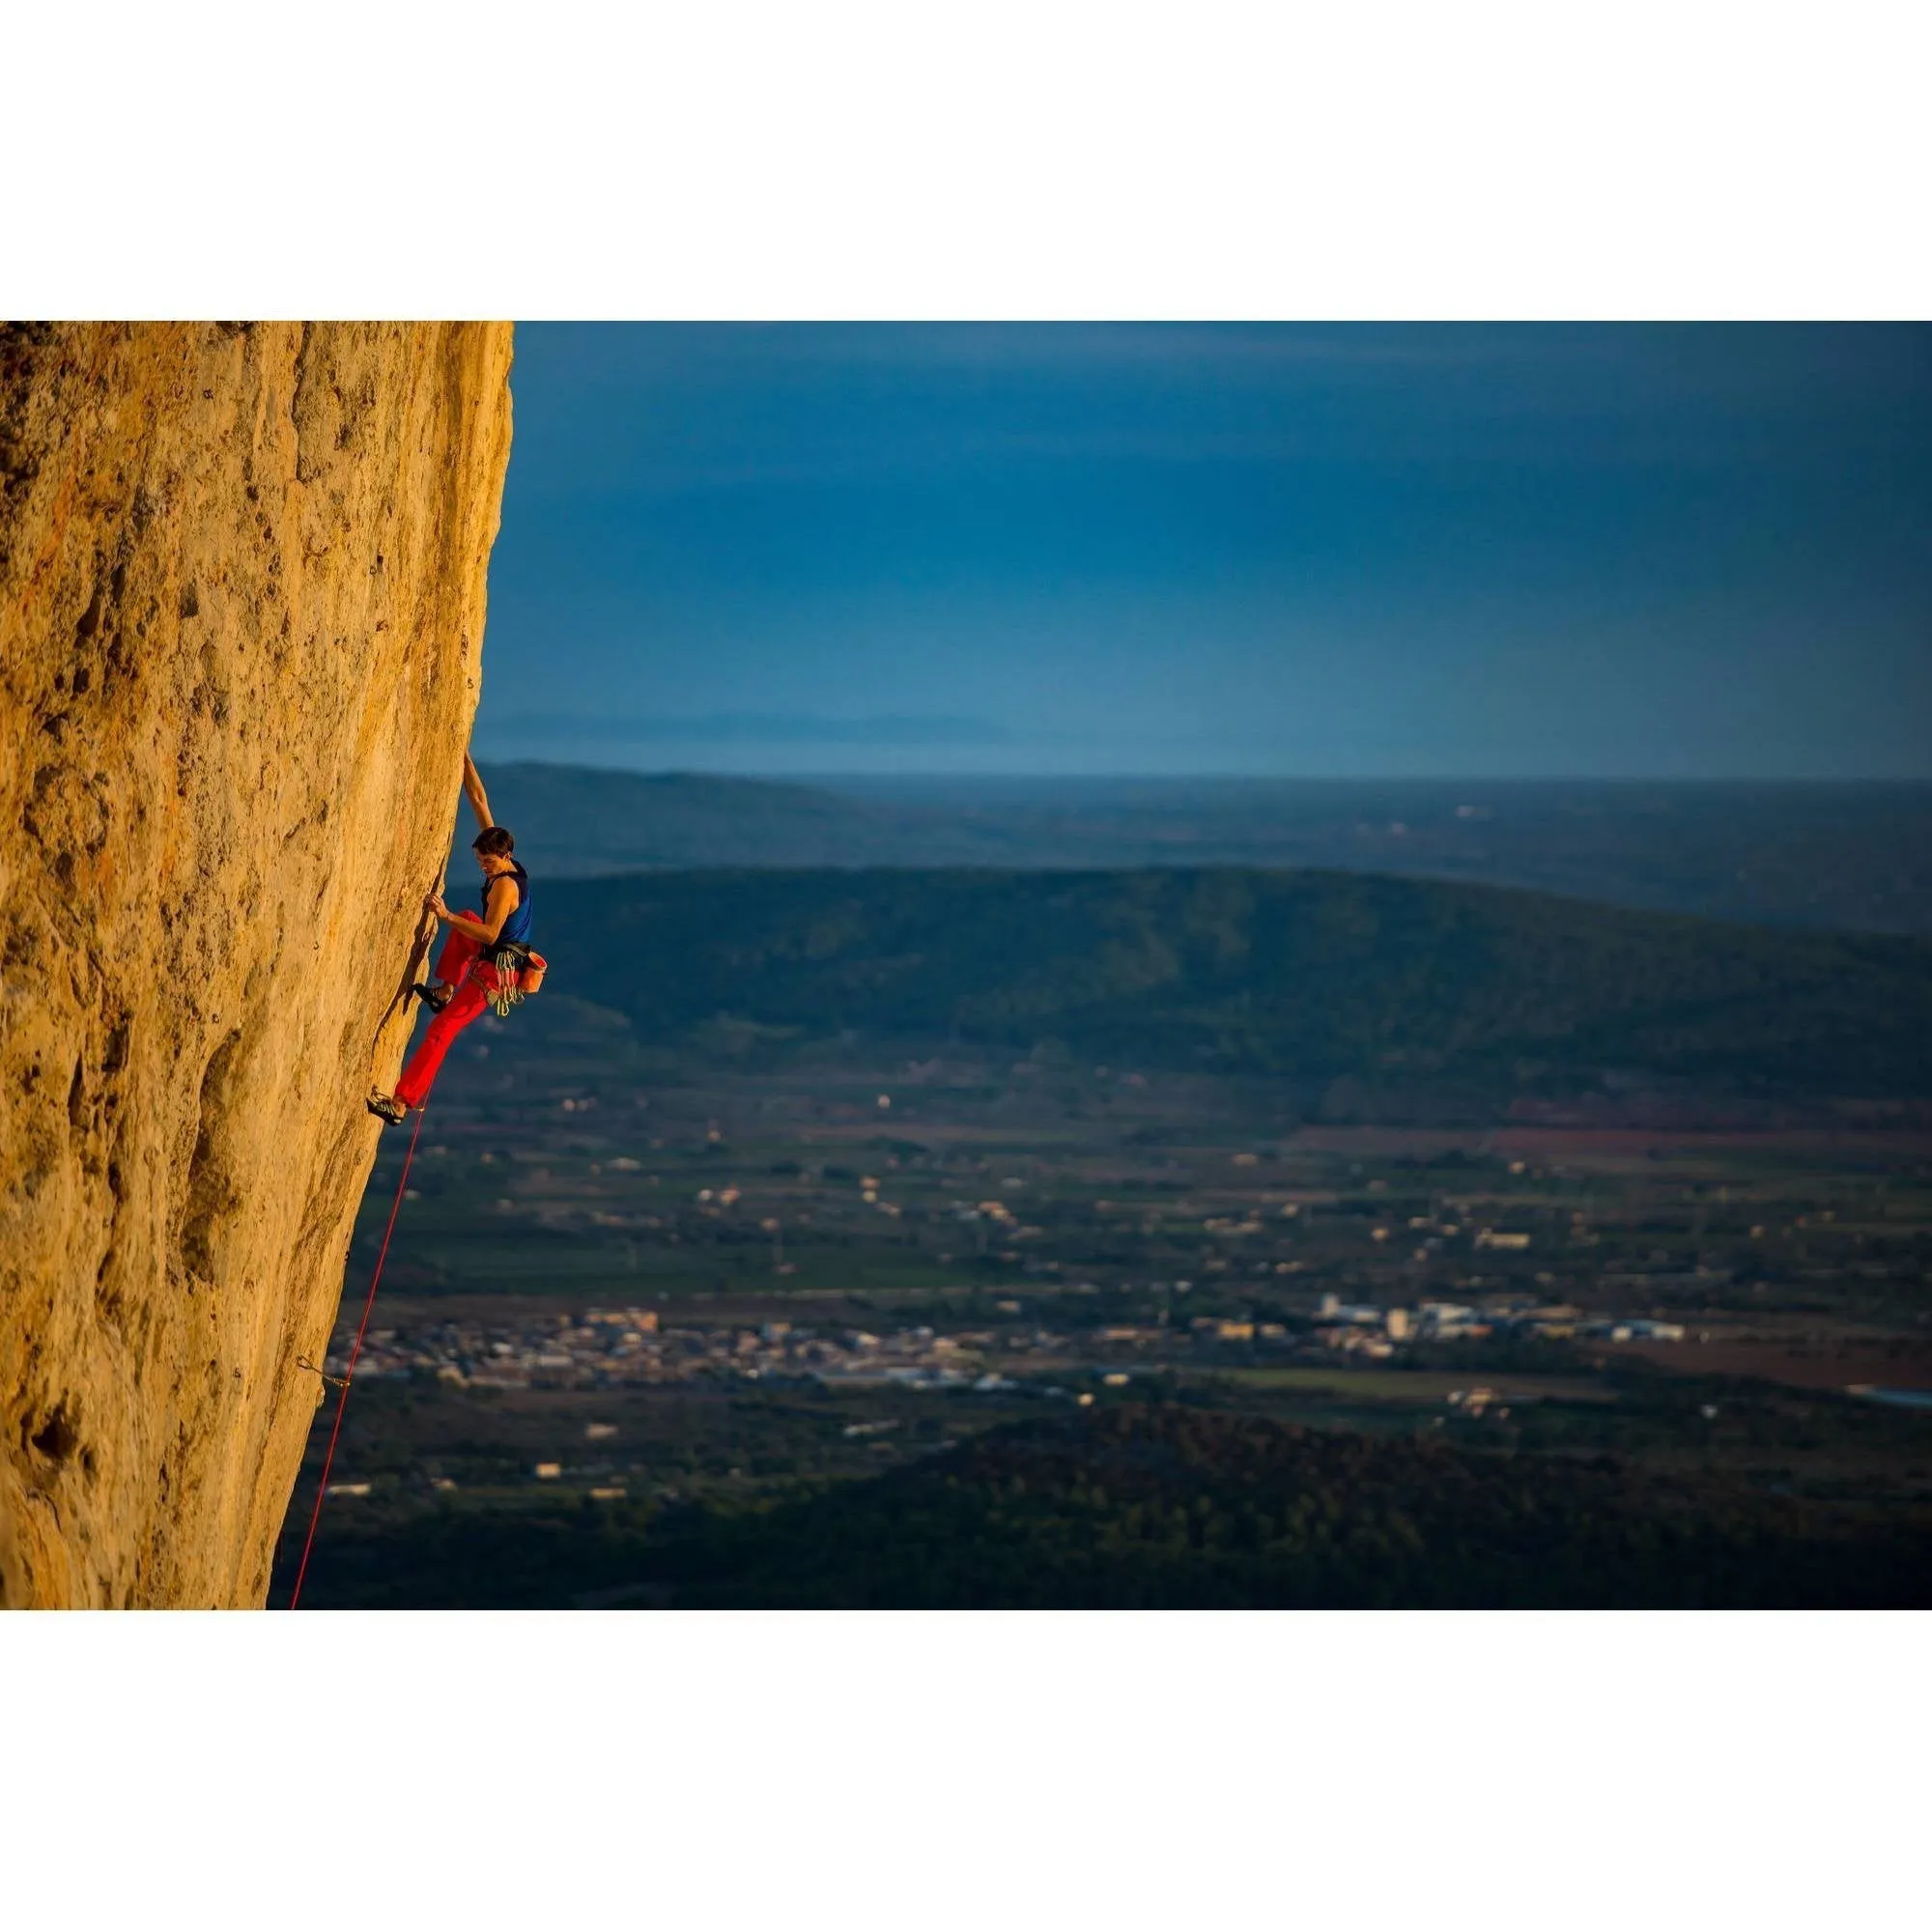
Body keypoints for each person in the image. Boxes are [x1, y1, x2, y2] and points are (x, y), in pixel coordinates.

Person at [367, 753, 536, 1123]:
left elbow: (490, 933)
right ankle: (444, 991)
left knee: (442, 1031)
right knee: (467, 919)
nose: (483, 866)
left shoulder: (505, 888)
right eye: (480, 860)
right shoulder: (504, 856)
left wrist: (444, 917)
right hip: (495, 953)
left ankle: (401, 1104)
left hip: (496, 973)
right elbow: (478, 798)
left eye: (487, 862)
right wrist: (461, 753)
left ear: (504, 857)